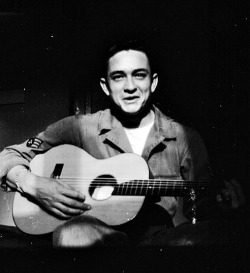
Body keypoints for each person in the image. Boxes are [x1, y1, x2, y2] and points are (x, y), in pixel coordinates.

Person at [0, 40, 246, 248]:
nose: (130, 87)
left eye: (139, 75)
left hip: (161, 243)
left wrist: (222, 208)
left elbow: (201, 208)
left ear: (154, 82)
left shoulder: (185, 138)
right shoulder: (78, 128)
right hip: (94, 237)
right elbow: (9, 155)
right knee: (71, 234)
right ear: (106, 86)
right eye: (118, 77)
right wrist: (32, 183)